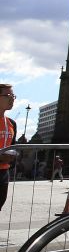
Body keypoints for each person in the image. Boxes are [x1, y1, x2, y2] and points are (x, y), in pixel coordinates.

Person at [0, 84, 17, 214]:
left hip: (3, 173)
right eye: (8, 96)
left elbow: (13, 147)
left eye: (13, 96)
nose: (12, 99)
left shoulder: (11, 123)